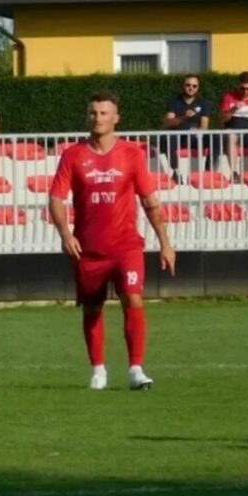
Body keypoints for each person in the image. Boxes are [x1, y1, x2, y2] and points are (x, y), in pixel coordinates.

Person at [48, 91, 176, 391]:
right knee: (92, 308)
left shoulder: (132, 154)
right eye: (93, 112)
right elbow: (56, 199)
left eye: (104, 113)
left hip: (126, 246)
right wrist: (65, 234)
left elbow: (150, 201)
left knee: (133, 298)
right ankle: (98, 370)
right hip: (88, 249)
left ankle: (135, 369)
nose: (98, 118)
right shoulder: (73, 155)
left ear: (116, 118)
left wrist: (165, 243)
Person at [159, 74, 214, 183]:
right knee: (166, 138)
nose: (191, 88)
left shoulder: (204, 103)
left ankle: (208, 171)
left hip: (194, 137)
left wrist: (197, 131)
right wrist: (184, 117)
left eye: (194, 86)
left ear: (198, 87)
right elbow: (169, 123)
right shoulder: (174, 102)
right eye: (188, 85)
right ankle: (176, 171)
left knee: (215, 138)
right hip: (177, 136)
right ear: (183, 86)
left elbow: (204, 125)